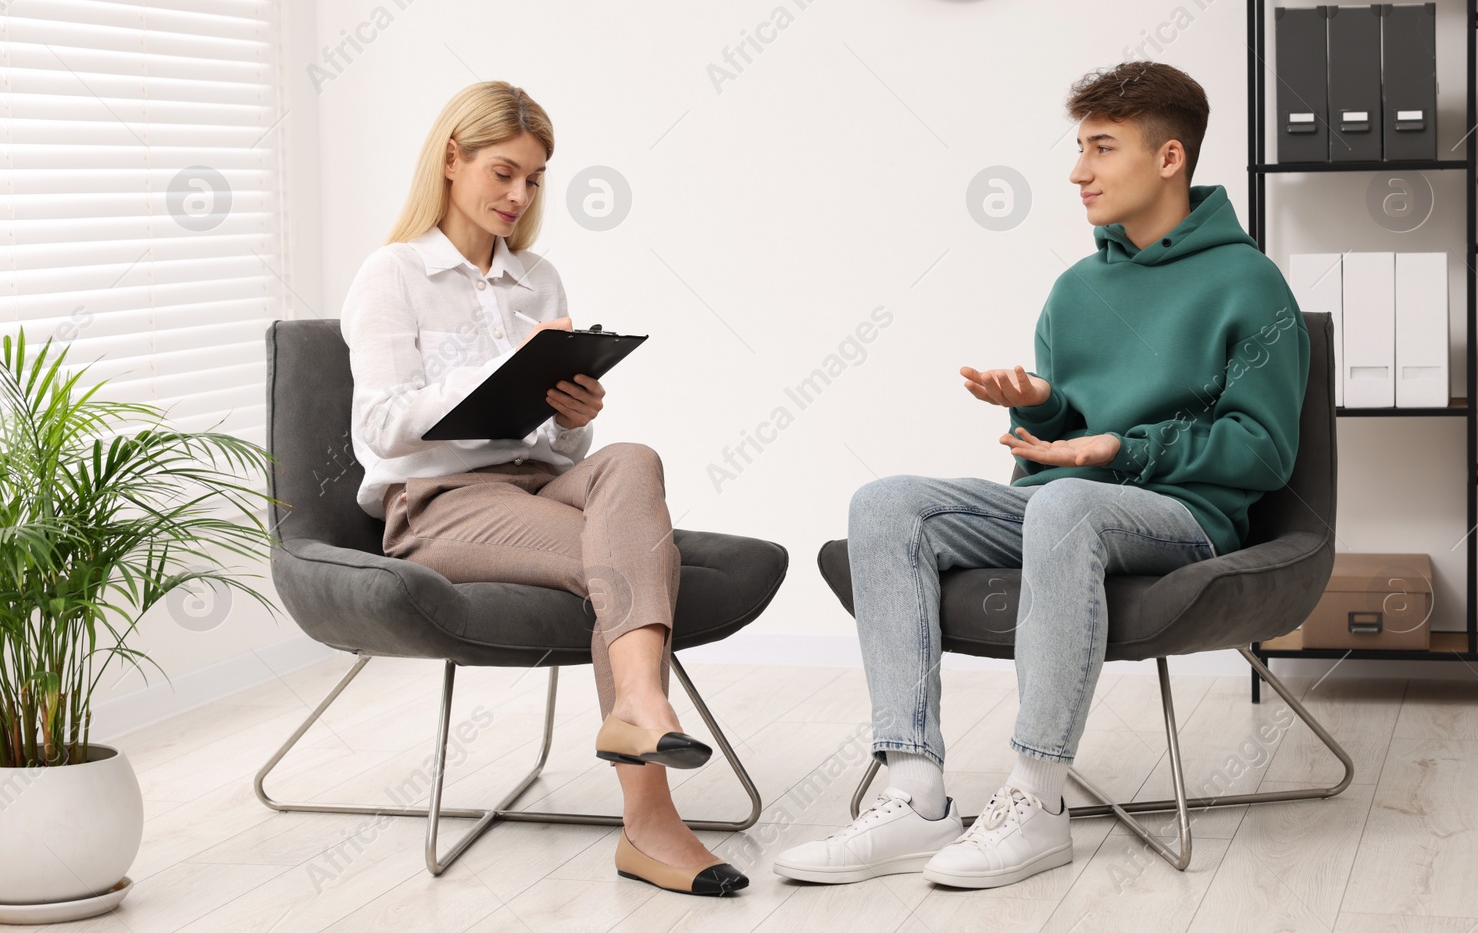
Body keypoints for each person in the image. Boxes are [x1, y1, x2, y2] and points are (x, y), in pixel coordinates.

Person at [773, 62, 1309, 890]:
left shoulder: (1250, 283)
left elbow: (1263, 451)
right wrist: (1049, 411)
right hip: (1071, 504)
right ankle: (914, 794)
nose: (1078, 171)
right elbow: (1045, 467)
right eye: (1079, 147)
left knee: (1067, 505)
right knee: (885, 504)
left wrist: (1120, 448)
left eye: (1102, 147)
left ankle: (1038, 799)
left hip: (1189, 519)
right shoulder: (1075, 291)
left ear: (1170, 158)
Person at [340, 81, 747, 897]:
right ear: (450, 159)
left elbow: (559, 449)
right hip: (439, 502)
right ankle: (652, 825)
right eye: (502, 172)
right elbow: (380, 428)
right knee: (625, 563)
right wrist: (487, 373)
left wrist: (572, 414)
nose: (518, 196)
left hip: (536, 483)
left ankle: (633, 701)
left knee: (629, 456)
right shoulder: (394, 273)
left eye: (532, 179)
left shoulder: (539, 281)